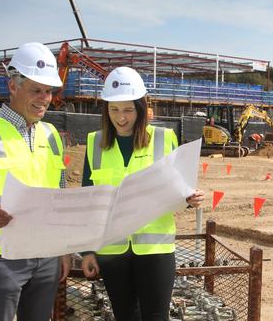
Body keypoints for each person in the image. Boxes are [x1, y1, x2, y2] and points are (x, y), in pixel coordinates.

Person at [0, 42, 70, 321]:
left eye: (49, 91)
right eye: (36, 90)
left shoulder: (52, 134)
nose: (44, 98)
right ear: (13, 86)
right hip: (1, 256)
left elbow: (60, 194)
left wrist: (64, 249)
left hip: (45, 255)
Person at [80, 66, 205, 321]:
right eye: (114, 110)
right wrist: (88, 251)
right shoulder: (94, 143)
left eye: (127, 109)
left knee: (156, 317)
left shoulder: (164, 138)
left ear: (140, 108)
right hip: (112, 251)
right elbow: (87, 204)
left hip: (155, 251)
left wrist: (190, 199)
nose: (121, 118)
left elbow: (178, 189)